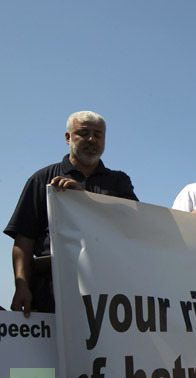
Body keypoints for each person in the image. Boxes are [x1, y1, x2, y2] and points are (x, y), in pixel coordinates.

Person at [4, 111, 138, 316]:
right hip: (51, 289)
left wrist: (82, 199)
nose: (92, 139)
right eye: (84, 133)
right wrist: (21, 285)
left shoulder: (119, 182)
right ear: (68, 138)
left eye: (98, 134)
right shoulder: (41, 179)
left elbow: (135, 226)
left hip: (108, 287)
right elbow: (24, 240)